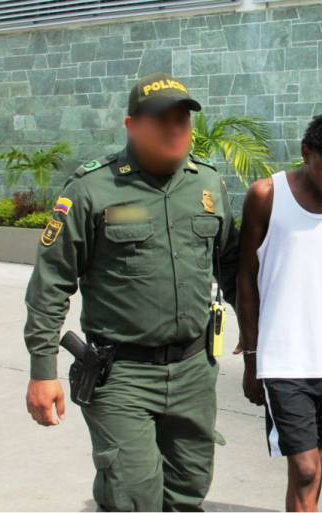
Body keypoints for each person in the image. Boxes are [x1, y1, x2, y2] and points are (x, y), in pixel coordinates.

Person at [23, 72, 239, 511]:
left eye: (182, 119)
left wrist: (255, 336)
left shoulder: (208, 184)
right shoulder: (91, 189)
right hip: (121, 374)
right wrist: (42, 370)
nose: (174, 129)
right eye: (161, 120)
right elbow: (51, 282)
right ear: (131, 125)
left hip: (193, 371)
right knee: (133, 496)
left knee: (189, 490)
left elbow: (232, 263)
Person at [236, 111, 322, 512]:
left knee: (318, 462)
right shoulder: (266, 196)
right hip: (285, 359)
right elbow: (246, 279)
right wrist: (251, 357)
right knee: (306, 466)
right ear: (306, 152)